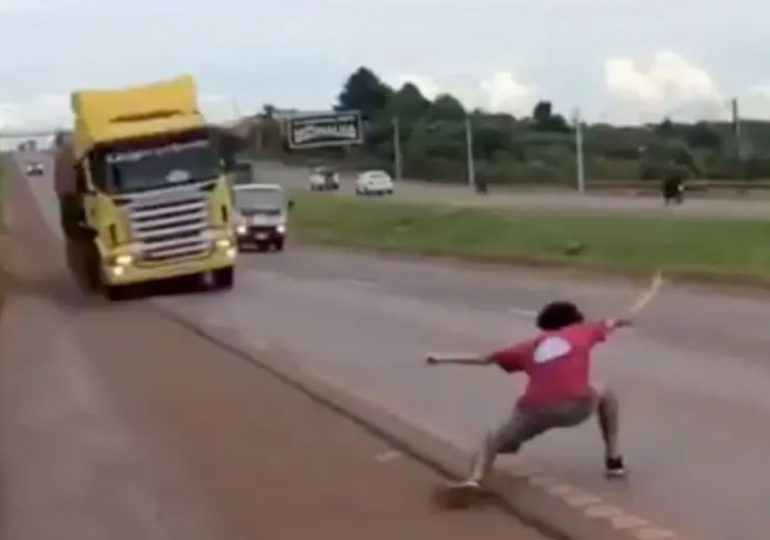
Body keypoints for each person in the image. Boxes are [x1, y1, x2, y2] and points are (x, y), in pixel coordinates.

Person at [426, 273, 662, 492]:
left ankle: (475, 479)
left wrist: (441, 359)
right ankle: (613, 460)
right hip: (576, 405)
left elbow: (484, 359)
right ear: (574, 320)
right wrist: (652, 289)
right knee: (606, 392)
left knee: (492, 443)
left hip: (533, 410)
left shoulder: (529, 346)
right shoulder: (584, 330)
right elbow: (626, 318)